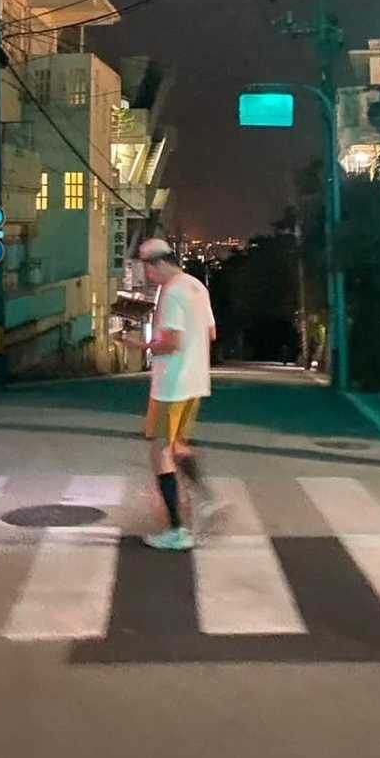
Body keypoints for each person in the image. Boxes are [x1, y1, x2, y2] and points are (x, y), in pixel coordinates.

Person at [134, 236, 217, 551]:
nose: (148, 275)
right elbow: (211, 332)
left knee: (161, 451)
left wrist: (143, 345)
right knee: (178, 444)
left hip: (171, 385)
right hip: (195, 382)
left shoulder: (171, 291)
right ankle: (207, 501)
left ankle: (177, 531)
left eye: (148, 269)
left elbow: (172, 342)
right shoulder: (197, 286)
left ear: (158, 263)